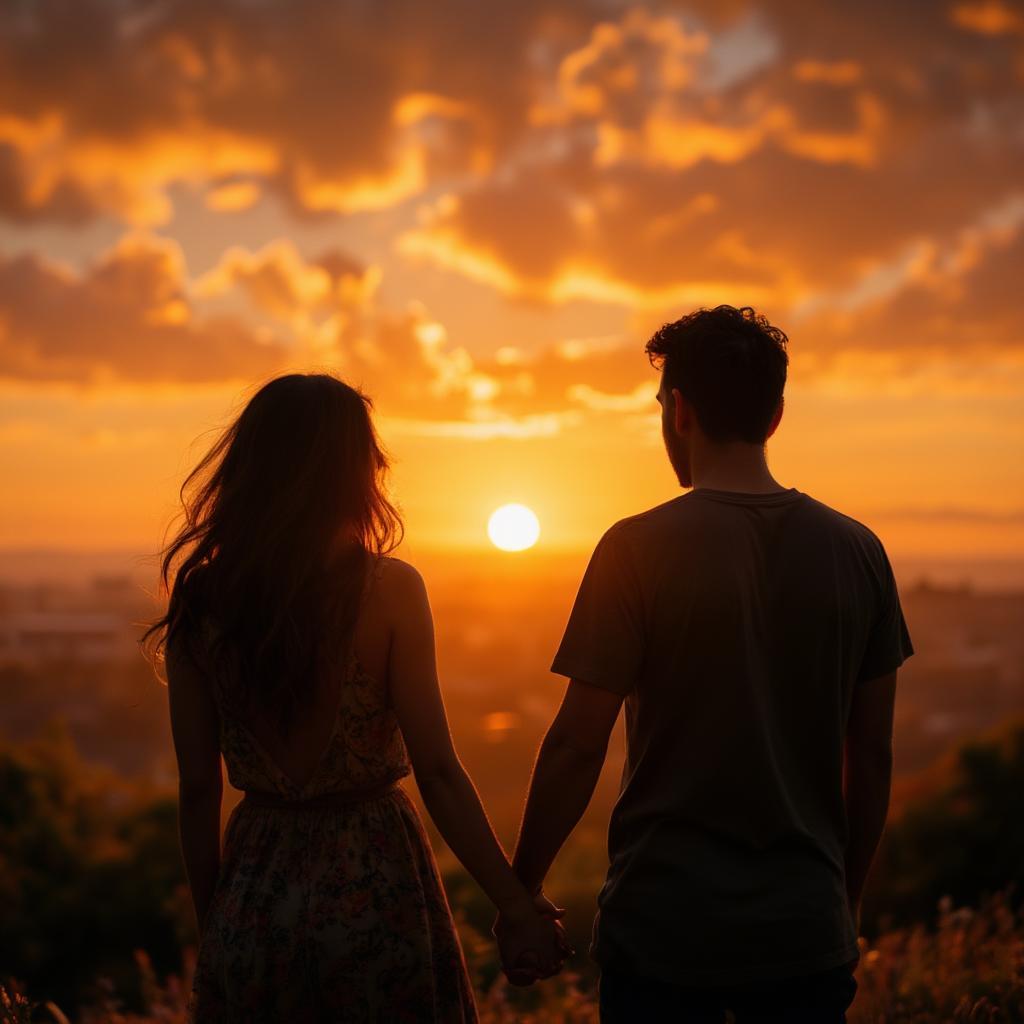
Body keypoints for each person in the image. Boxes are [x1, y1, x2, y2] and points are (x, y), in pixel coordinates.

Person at [499, 306, 914, 1022]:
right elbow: (870, 756)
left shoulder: (635, 550)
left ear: (678, 409)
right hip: (805, 935)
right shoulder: (859, 551)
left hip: (664, 932)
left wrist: (521, 892)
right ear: (776, 414)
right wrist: (842, 904)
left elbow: (576, 743)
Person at [144, 374, 568, 1023]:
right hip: (379, 884)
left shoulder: (203, 600)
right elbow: (441, 774)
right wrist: (514, 905)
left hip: (257, 884)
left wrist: (220, 924)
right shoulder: (390, 590)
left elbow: (199, 789)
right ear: (351, 472)